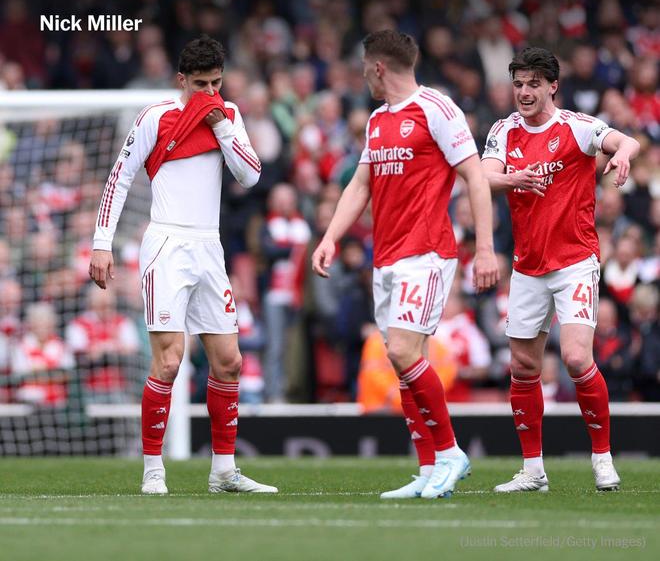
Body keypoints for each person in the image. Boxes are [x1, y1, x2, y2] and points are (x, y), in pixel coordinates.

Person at [312, 30, 498, 500]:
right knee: (404, 364)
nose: (363, 77)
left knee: (401, 352)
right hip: (387, 257)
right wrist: (331, 237)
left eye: (364, 68)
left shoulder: (437, 108)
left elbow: (475, 176)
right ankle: (429, 468)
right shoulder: (377, 120)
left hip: (427, 253)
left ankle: (450, 453)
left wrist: (485, 248)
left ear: (378, 67)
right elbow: (360, 185)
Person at [89, 34, 277, 496]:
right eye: (200, 84)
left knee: (229, 362)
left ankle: (224, 472)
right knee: (170, 362)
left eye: (216, 83)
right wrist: (101, 243)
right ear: (181, 80)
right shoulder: (156, 116)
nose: (209, 92)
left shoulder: (228, 115)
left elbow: (250, 175)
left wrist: (223, 128)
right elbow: (119, 177)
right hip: (167, 245)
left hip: (209, 247)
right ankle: (153, 471)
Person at [481, 46, 640, 493]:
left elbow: (626, 140)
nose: (524, 92)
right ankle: (533, 470)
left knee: (574, 357)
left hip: (574, 262)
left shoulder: (576, 126)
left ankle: (603, 459)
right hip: (528, 265)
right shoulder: (503, 130)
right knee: (523, 366)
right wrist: (513, 179)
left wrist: (623, 155)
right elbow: (482, 175)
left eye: (533, 84)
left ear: (553, 86)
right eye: (518, 84)